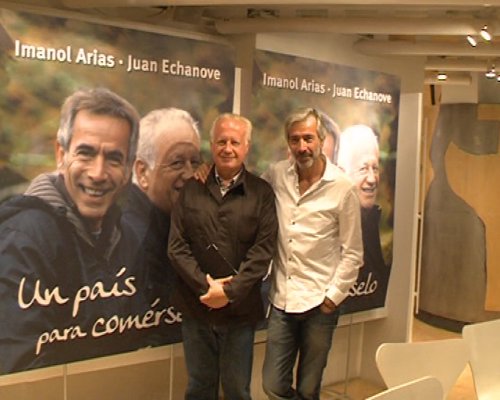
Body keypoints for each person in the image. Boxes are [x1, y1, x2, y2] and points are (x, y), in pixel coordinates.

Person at [0, 87, 143, 374]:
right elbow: (23, 370)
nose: (98, 173)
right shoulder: (24, 240)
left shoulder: (126, 236)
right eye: (85, 153)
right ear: (61, 154)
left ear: (129, 168)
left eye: (114, 158)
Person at [168, 113, 278, 400]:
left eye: (234, 142)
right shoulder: (191, 188)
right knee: (199, 387)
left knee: (237, 389)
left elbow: (263, 251)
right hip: (197, 308)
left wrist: (229, 292)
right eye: (221, 141)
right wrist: (206, 287)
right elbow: (177, 247)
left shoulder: (262, 193)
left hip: (240, 312)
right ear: (212, 145)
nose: (227, 148)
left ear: (246, 147)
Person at [261, 107, 363, 400]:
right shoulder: (276, 175)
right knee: (272, 385)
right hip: (282, 302)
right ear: (288, 143)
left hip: (320, 304)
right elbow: (246, 189)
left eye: (308, 138)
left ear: (321, 140)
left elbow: (353, 252)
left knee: (308, 388)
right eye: (295, 139)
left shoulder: (342, 188)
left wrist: (333, 296)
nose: (302, 146)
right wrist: (208, 172)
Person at [122, 107, 201, 345]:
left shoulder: (182, 224)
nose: (189, 174)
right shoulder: (129, 238)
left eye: (195, 162)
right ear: (142, 172)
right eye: (176, 162)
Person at [337, 124, 390, 312]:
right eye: (363, 169)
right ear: (342, 172)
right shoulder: (327, 227)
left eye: (375, 168)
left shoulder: (379, 228)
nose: (372, 178)